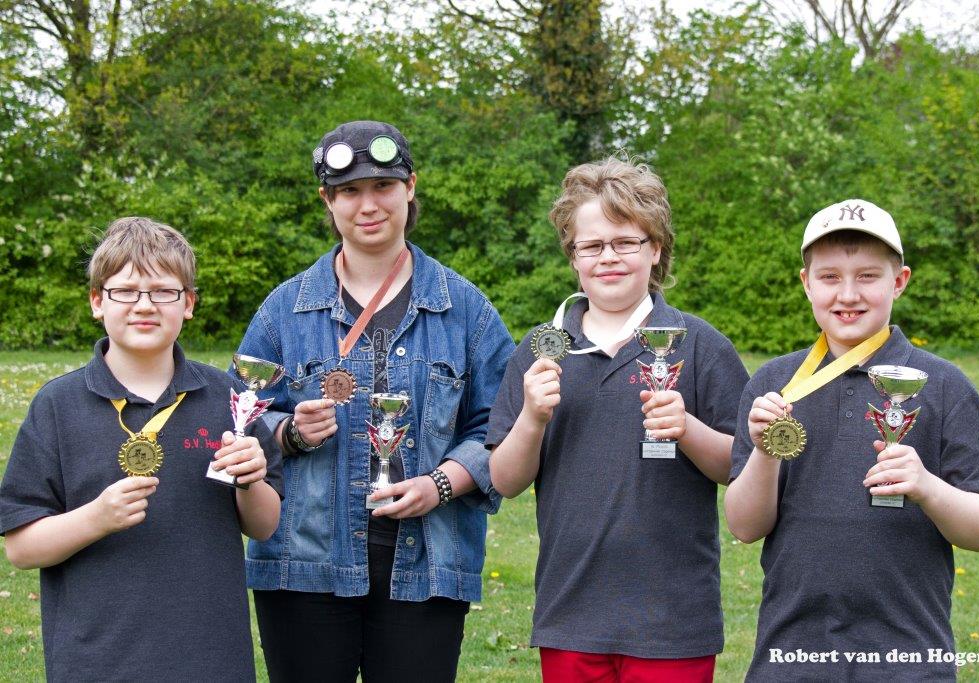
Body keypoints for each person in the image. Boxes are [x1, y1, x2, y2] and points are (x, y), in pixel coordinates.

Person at [235, 120, 515, 681]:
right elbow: (239, 418)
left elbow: (501, 427)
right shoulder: (283, 311)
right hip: (303, 569)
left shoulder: (467, 310)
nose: (368, 205)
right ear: (328, 200)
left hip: (427, 567)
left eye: (383, 186)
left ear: (410, 187)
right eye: (349, 191)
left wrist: (441, 484)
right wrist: (290, 431)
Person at [724, 199, 979, 680]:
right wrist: (764, 451)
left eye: (867, 276)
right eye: (829, 277)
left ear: (899, 281)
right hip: (792, 655)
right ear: (806, 283)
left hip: (908, 659)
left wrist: (927, 486)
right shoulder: (773, 385)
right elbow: (743, 526)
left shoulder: (944, 385)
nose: (848, 294)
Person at [486, 156, 750, 682]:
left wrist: (688, 429)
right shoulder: (541, 351)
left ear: (656, 249)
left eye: (626, 242)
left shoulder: (701, 347)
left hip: (673, 620)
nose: (608, 257)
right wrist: (532, 418)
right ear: (574, 257)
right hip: (571, 615)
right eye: (591, 245)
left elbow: (739, 468)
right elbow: (505, 481)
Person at [0, 216, 283, 682]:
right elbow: (21, 549)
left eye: (163, 291)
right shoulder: (57, 405)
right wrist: (95, 519)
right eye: (126, 291)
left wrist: (250, 481)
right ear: (98, 301)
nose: (145, 305)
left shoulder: (229, 398)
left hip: (210, 659)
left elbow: (264, 525)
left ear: (188, 303)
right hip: (95, 662)